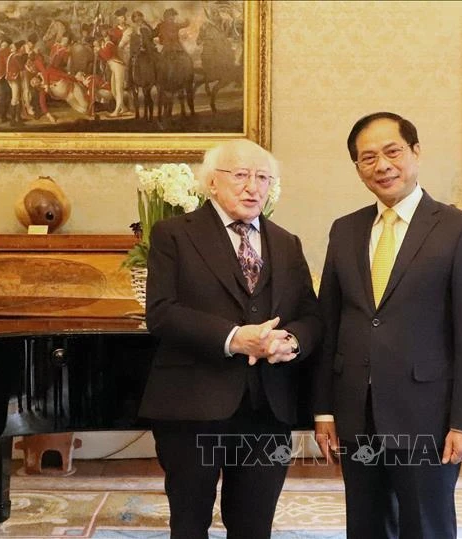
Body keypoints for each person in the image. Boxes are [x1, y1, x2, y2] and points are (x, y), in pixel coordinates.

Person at [313, 112, 462, 539]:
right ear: (358, 168)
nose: (382, 165)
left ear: (415, 152)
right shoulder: (345, 230)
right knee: (366, 524)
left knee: (425, 525)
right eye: (367, 158)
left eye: (392, 152)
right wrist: (323, 410)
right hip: (357, 410)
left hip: (426, 413)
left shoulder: (458, 229)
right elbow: (329, 324)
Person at [139, 139, 322, 539]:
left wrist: (290, 340)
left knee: (254, 527)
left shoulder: (287, 243)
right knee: (189, 525)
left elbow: (310, 315)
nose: (252, 187)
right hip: (192, 405)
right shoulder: (174, 235)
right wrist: (236, 338)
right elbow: (162, 312)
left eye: (262, 178)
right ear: (211, 183)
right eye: (240, 175)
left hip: (268, 409)